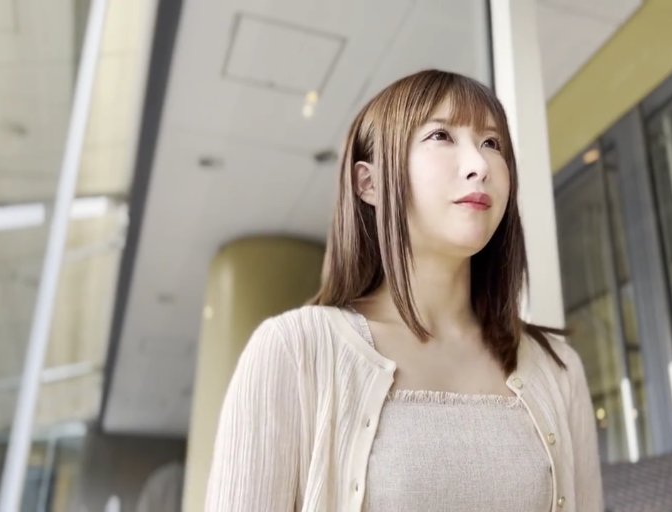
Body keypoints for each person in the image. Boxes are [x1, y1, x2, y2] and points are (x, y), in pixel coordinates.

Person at [205, 69, 603, 512]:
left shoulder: (557, 370)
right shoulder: (294, 350)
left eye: (492, 143)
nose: (479, 165)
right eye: (441, 136)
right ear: (369, 183)